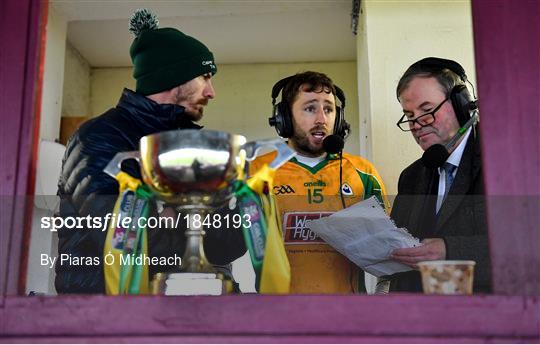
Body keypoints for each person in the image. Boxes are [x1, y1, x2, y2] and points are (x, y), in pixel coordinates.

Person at [55, 9, 245, 293]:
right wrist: (192, 222)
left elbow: (222, 245)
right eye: (205, 77)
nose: (211, 92)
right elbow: (129, 242)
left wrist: (249, 207)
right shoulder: (98, 139)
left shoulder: (191, 147)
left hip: (184, 311)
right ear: (173, 77)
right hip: (106, 318)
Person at [250, 71, 389, 293]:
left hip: (347, 317)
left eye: (328, 109)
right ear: (284, 118)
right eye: (310, 108)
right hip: (278, 315)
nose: (322, 120)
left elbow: (389, 251)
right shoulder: (256, 172)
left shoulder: (363, 172)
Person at [389, 57, 491, 293]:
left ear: (461, 103)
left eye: (426, 110)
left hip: (492, 317)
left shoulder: (503, 162)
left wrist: (449, 250)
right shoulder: (411, 177)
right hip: (422, 319)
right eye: (409, 114)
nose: (416, 124)